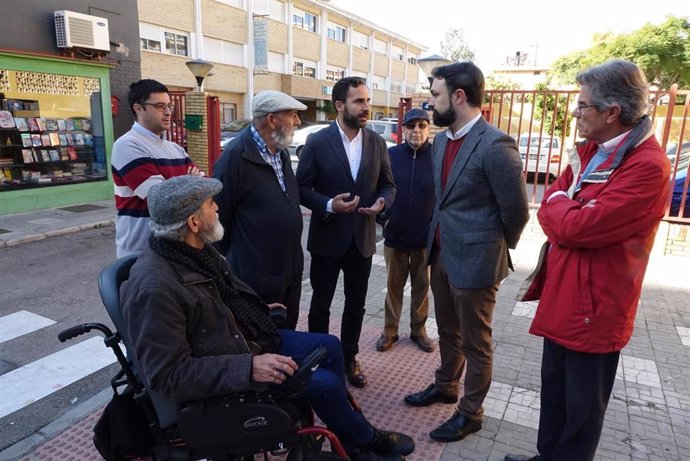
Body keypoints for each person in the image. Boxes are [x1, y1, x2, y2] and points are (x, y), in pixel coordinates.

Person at [120, 175, 415, 461]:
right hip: (226, 373)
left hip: (240, 341)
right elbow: (167, 376)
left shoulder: (193, 250)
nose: (218, 208)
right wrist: (248, 367)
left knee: (331, 346)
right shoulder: (153, 289)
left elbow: (221, 301)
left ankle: (349, 435)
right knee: (323, 383)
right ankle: (363, 441)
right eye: (212, 204)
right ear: (193, 222)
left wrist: (257, 307)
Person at [505, 60, 671, 461]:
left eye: (582, 106)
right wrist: (566, 209)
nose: (576, 114)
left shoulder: (647, 166)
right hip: (565, 296)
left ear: (612, 112)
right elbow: (553, 207)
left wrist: (564, 210)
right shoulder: (593, 152)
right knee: (555, 397)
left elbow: (576, 228)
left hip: (595, 309)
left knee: (580, 415)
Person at [403, 62, 530, 442]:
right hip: (440, 254)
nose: (429, 104)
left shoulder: (495, 144)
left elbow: (516, 212)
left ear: (459, 97)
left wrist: (489, 247)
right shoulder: (441, 141)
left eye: (435, 96)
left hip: (476, 262)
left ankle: (471, 412)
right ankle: (445, 386)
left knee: (477, 343)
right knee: (447, 331)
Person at [296, 76, 396, 388]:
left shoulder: (377, 143)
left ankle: (349, 357)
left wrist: (383, 202)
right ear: (340, 105)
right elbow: (301, 187)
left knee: (356, 304)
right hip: (327, 237)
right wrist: (327, 204)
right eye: (359, 101)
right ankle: (318, 359)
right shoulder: (317, 142)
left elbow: (388, 185)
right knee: (320, 304)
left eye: (367, 101)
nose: (366, 107)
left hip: (362, 239)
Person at [213, 90, 306, 330]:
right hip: (255, 276)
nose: (297, 122)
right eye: (293, 115)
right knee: (261, 339)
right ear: (272, 119)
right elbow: (217, 222)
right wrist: (245, 260)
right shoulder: (235, 157)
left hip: (289, 270)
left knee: (287, 333)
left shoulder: (281, 152)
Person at [111, 79, 204, 258]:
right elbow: (162, 200)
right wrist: (191, 182)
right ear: (138, 108)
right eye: (160, 106)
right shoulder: (127, 145)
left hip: (177, 246)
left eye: (169, 106)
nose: (169, 112)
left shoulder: (176, 149)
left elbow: (205, 190)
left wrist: (185, 187)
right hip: (141, 251)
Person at [375, 108, 435, 353]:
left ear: (428, 128)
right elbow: (379, 189)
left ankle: (419, 331)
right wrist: (384, 220)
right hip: (395, 236)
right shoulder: (390, 156)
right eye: (411, 126)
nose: (416, 131)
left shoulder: (437, 156)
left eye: (422, 126)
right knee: (393, 287)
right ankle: (390, 331)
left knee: (422, 288)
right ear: (403, 129)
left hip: (425, 239)